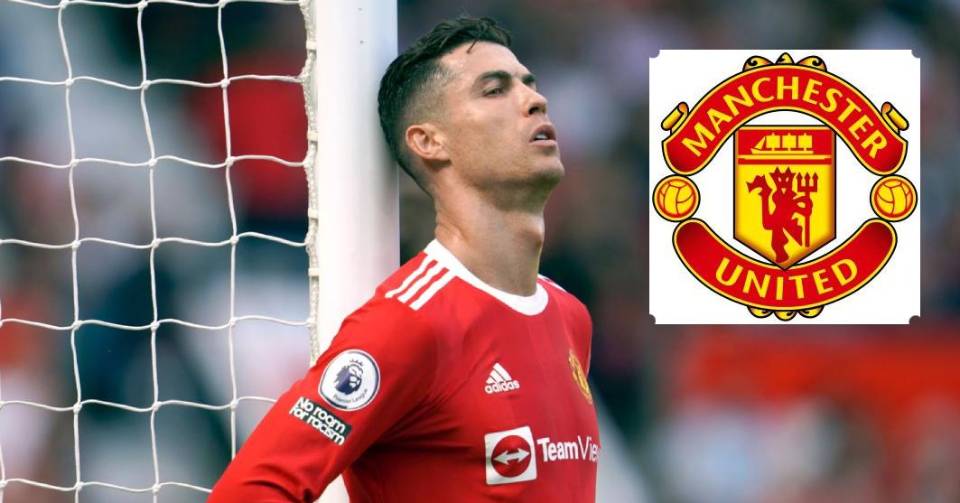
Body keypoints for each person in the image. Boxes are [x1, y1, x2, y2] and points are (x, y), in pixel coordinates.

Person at [209, 16, 599, 502]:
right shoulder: (411, 323)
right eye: (494, 90)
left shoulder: (570, 315)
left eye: (529, 83)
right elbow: (249, 490)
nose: (534, 100)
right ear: (429, 141)